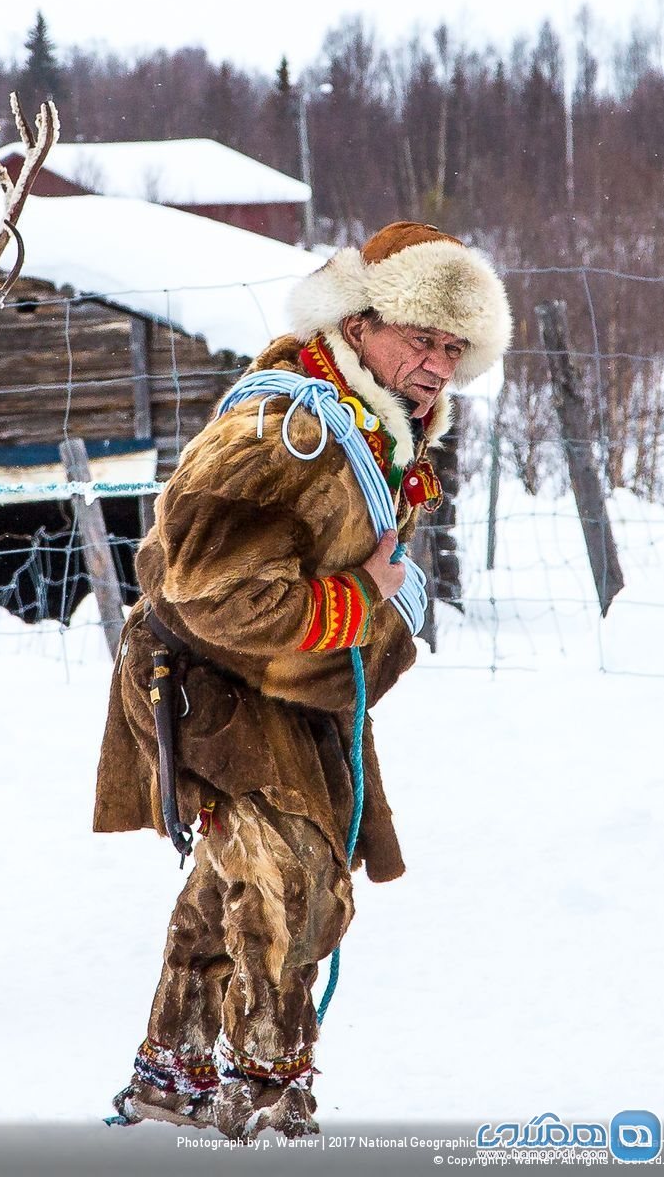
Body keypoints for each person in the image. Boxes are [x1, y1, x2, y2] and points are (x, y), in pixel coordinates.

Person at [94, 222, 511, 1140]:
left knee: (237, 882)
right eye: (420, 336)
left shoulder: (374, 429)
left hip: (289, 689)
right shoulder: (286, 429)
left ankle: (176, 1078)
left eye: (454, 346)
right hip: (210, 686)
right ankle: (269, 1103)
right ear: (359, 323)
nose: (439, 363)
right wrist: (365, 599)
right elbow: (210, 594)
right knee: (293, 881)